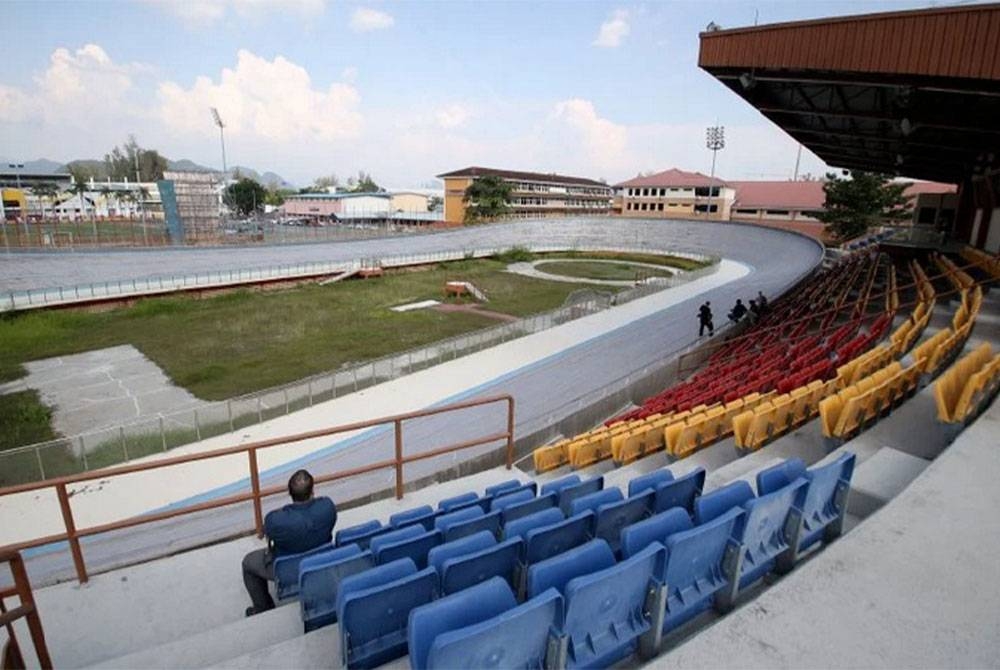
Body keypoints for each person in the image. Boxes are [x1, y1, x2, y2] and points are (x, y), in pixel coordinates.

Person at [242, 469, 337, 616]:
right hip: (321, 561)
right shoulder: (327, 507)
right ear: (313, 490)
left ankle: (262, 608)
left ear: (290, 493)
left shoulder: (276, 521)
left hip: (289, 571)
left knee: (248, 563)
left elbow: (269, 527)